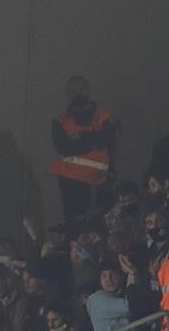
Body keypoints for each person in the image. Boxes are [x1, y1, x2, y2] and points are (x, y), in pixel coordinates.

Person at [49, 75, 119, 224]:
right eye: (74, 91)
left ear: (88, 90)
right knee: (76, 227)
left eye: (82, 89)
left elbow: (109, 139)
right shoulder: (60, 122)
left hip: (103, 180)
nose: (79, 93)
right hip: (73, 185)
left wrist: (82, 137)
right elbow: (64, 147)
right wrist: (94, 137)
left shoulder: (105, 116)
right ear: (68, 94)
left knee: (103, 223)